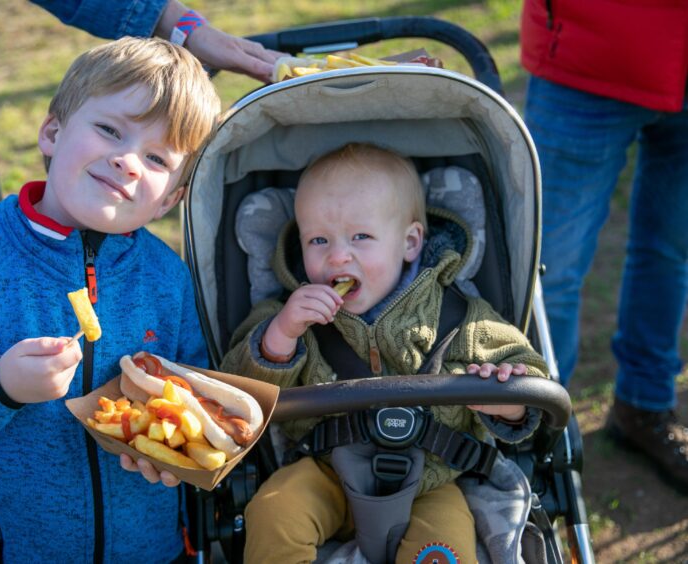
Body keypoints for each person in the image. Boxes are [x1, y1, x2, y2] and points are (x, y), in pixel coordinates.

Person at [0, 1, 280, 561]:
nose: (126, 161)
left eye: (155, 157)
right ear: (52, 131)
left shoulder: (167, 278)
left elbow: (193, 399)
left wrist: (179, 453)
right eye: (108, 129)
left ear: (171, 199)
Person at [220, 143, 549, 563]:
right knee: (273, 512)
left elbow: (529, 381)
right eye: (318, 239)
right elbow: (239, 392)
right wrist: (281, 335)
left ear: (410, 242)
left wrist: (507, 403)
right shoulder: (289, 314)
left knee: (444, 551)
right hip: (325, 470)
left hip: (433, 477)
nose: (338, 255)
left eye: (361, 236)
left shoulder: (460, 317)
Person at [520, 0, 688, 491]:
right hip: (588, 53)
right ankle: (537, 433)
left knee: (671, 253)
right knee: (547, 272)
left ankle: (644, 405)